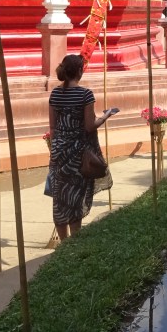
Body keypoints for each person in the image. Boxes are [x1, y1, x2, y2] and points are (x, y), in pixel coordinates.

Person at [48, 54, 118, 240]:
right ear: (79, 71)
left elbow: (53, 127)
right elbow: (89, 126)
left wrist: (57, 149)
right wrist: (106, 116)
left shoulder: (55, 94)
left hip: (59, 151)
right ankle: (73, 244)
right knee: (75, 198)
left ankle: (63, 244)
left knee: (60, 198)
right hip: (78, 153)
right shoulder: (85, 94)